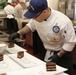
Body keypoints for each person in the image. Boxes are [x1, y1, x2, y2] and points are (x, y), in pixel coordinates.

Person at [9, 0, 76, 75]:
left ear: (44, 12)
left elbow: (70, 42)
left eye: (35, 16)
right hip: (46, 51)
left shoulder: (63, 21)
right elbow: (30, 26)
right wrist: (18, 33)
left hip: (63, 54)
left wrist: (58, 55)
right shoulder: (37, 16)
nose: (33, 19)